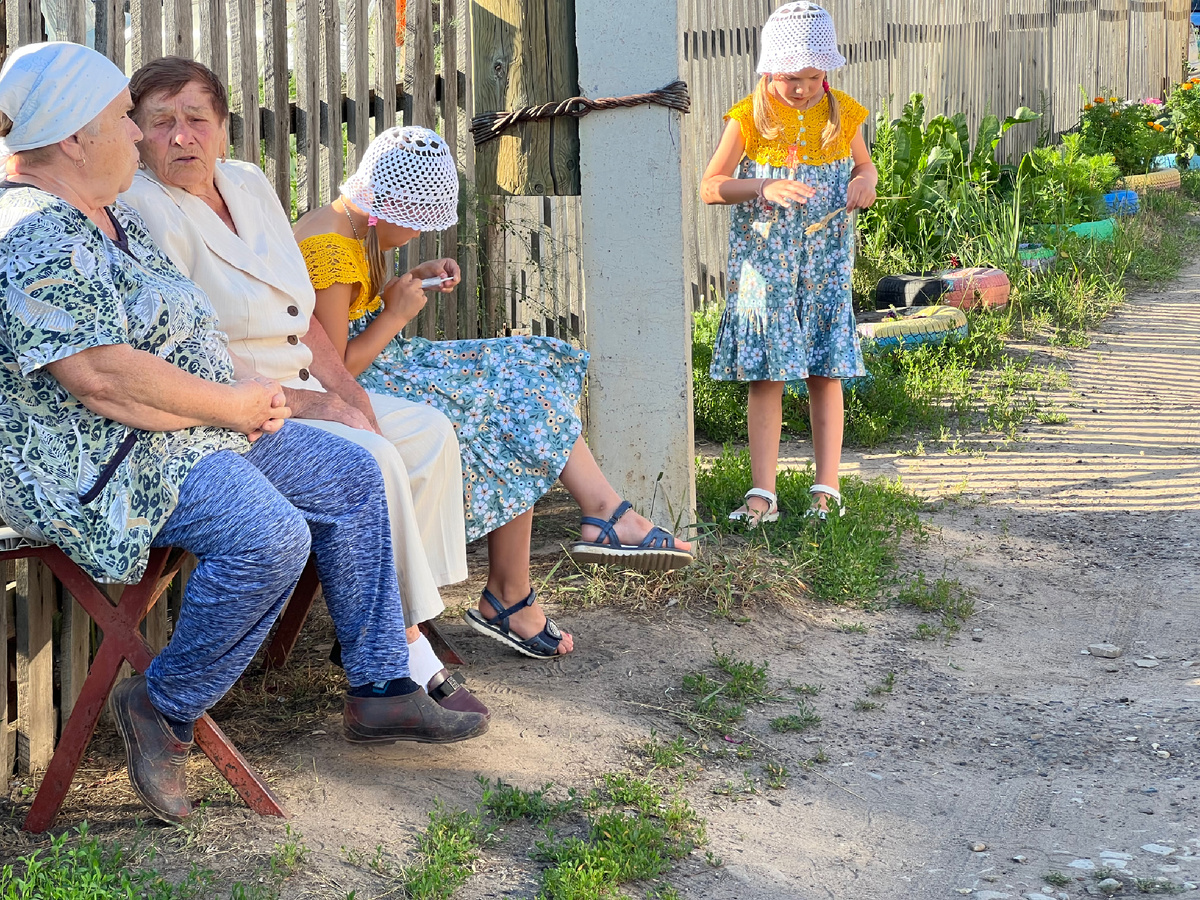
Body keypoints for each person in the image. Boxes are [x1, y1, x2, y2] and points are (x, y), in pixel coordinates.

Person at [0, 42, 487, 825]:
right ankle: (164, 704)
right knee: (270, 537)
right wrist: (233, 406)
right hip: (106, 457)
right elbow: (101, 378)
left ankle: (378, 685)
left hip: (183, 423)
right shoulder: (34, 231)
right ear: (70, 137)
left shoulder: (107, 208)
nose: (139, 135)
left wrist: (253, 400)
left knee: (353, 476)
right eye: (125, 120)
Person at [123, 58, 482, 713]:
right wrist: (319, 405)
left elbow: (304, 318)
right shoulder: (142, 206)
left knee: (426, 435)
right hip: (239, 404)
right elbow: (186, 354)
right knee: (368, 458)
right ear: (136, 134)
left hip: (304, 378)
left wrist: (351, 396)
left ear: (225, 128)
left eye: (196, 119)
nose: (181, 137)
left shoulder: (247, 183)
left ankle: (394, 627)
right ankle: (400, 649)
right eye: (161, 123)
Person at [292, 125, 695, 660]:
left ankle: (582, 534)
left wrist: (406, 282)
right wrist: (395, 315)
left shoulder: (351, 227)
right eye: (412, 227)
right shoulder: (332, 249)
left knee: (527, 368)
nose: (414, 236)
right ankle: (558, 556)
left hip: (378, 370)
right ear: (385, 205)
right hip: (350, 391)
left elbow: (345, 321)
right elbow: (333, 370)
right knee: (511, 405)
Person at [700, 1, 877, 525]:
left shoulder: (842, 111)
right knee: (767, 377)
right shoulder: (750, 118)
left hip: (823, 264)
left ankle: (827, 489)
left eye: (814, 77)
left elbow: (865, 165)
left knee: (826, 372)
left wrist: (863, 182)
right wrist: (761, 185)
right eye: (790, 77)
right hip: (765, 268)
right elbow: (710, 186)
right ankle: (763, 493)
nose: (802, 88)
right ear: (768, 68)